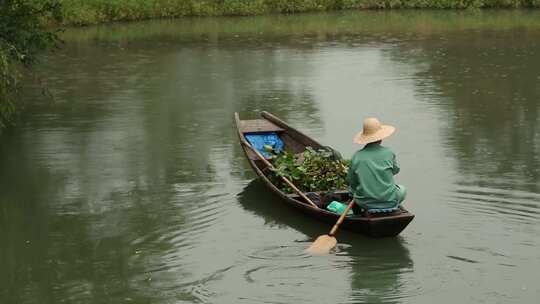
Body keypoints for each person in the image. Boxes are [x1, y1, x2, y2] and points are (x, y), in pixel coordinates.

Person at [347, 117, 406, 214]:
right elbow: (395, 170)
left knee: (352, 191)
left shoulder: (357, 156)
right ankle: (391, 207)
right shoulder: (389, 153)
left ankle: (360, 210)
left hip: (365, 203)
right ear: (381, 137)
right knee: (403, 189)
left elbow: (351, 181)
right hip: (390, 200)